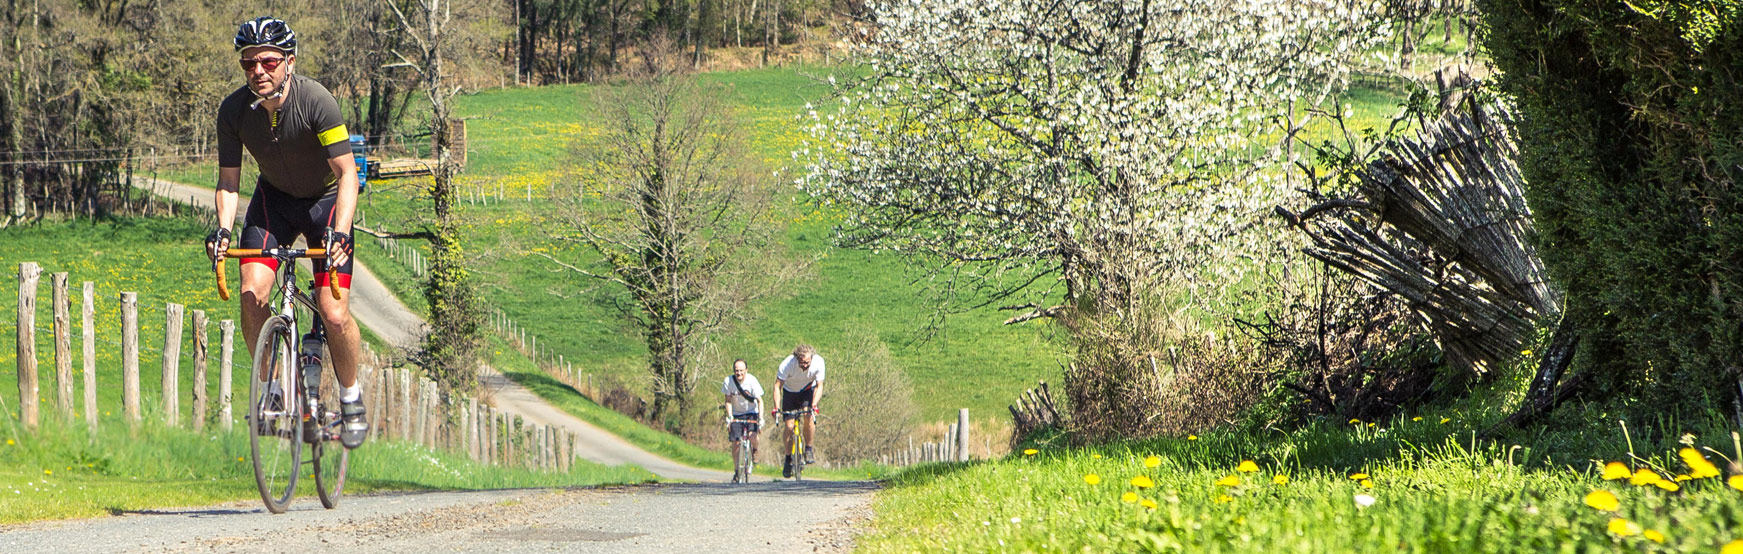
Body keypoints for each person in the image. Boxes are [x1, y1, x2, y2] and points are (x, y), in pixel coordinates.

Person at [204, 16, 369, 449]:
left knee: (333, 313)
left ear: (289, 62)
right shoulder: (234, 111)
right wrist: (223, 229)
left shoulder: (318, 102)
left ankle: (351, 397)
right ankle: (274, 391)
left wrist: (341, 233)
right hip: (272, 201)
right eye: (249, 63)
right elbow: (228, 182)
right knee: (252, 294)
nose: (258, 70)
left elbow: (348, 174)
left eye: (269, 61)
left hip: (324, 203)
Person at [772, 344, 824, 477]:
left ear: (812, 358)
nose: (804, 365)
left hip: (807, 391)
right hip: (789, 393)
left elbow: (819, 386)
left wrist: (814, 405)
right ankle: (788, 459)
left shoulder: (819, 362)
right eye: (801, 362)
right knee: (789, 427)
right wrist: (776, 408)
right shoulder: (787, 364)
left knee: (808, 416)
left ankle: (809, 449)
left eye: (807, 362)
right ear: (796, 359)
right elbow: (777, 386)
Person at [721, 359, 764, 476]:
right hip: (736, 413)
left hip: (751, 412)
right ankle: (736, 471)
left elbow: (760, 401)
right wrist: (729, 417)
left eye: (741, 371)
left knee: (752, 436)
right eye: (736, 371)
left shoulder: (752, 381)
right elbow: (728, 401)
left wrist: (760, 418)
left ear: (746, 370)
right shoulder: (728, 381)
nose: (739, 373)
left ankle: (755, 450)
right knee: (736, 443)